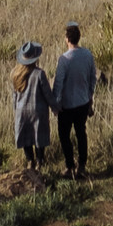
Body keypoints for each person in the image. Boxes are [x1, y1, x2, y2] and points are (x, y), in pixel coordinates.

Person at [54, 22, 97, 179]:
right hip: (82, 102)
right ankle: (82, 166)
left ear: (67, 39)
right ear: (79, 38)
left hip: (66, 105)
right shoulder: (87, 55)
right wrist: (90, 97)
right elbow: (93, 78)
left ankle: (69, 165)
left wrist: (55, 104)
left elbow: (58, 84)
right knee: (81, 134)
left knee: (64, 135)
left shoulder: (64, 60)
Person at [8, 42, 53, 177]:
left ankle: (29, 161)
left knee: (26, 137)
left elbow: (14, 96)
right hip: (37, 111)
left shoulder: (15, 74)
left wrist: (16, 110)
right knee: (39, 137)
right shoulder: (39, 74)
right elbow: (47, 94)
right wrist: (55, 107)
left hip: (22, 111)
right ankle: (40, 162)